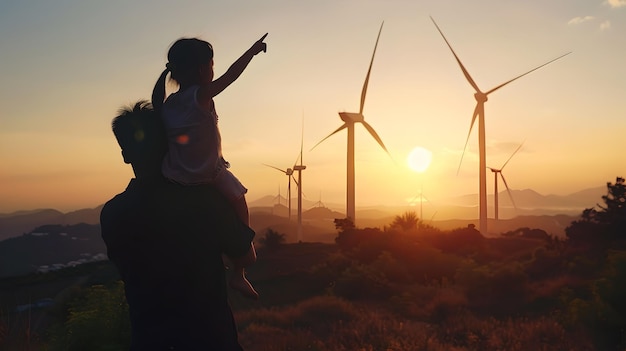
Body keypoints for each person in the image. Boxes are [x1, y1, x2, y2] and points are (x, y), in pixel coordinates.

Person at [101, 101, 255, 350]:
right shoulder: (205, 200)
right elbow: (244, 251)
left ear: (125, 155)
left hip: (150, 340)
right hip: (211, 340)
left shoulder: (112, 214)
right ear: (169, 144)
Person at [151, 33, 267, 299]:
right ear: (204, 69)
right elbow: (231, 77)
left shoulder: (169, 103)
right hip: (208, 173)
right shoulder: (200, 96)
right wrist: (251, 52)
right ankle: (239, 265)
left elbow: (157, 104)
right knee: (239, 198)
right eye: (212, 65)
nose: (214, 70)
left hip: (176, 173)